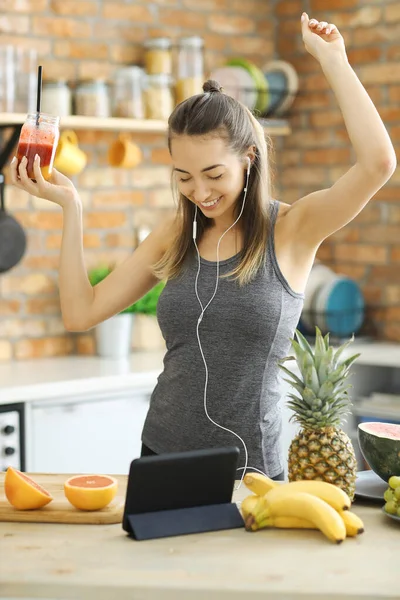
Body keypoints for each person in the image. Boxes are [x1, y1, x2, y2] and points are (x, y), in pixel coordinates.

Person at [11, 13, 396, 482]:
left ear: (249, 158)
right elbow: (80, 312)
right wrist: (71, 207)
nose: (200, 191)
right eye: (184, 177)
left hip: (251, 472)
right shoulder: (177, 233)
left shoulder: (293, 229)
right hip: (161, 455)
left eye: (214, 175)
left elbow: (378, 163)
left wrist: (333, 59)